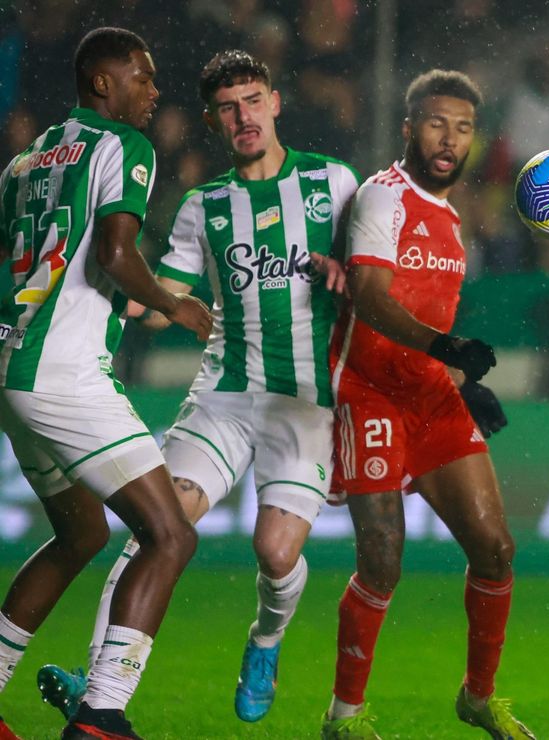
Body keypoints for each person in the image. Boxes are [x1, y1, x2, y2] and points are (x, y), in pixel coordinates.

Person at [34, 49, 360, 725]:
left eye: (253, 100)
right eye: (227, 107)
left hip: (303, 405)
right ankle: (99, 684)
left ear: (275, 102)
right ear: (214, 121)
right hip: (223, 398)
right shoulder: (203, 207)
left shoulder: (335, 184)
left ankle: (265, 638)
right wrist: (84, 298)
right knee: (160, 525)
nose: (243, 116)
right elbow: (162, 299)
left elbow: (375, 281)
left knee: (274, 552)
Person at [0, 27, 212, 740]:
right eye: (142, 77)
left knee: (79, 534)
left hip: (10, 367)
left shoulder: (24, 161)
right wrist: (174, 303)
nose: (154, 92)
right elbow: (118, 255)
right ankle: (102, 714)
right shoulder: (123, 147)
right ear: (101, 82)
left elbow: (22, 264)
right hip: (62, 373)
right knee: (170, 536)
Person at [319, 69, 527, 740]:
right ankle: (344, 716)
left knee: (495, 550)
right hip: (370, 394)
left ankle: (477, 696)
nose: (450, 139)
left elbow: (427, 307)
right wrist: (449, 345)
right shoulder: (383, 197)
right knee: (382, 559)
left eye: (463, 128)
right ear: (409, 128)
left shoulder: (451, 217)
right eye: (437, 123)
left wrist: (463, 379)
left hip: (432, 397)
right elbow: (372, 298)